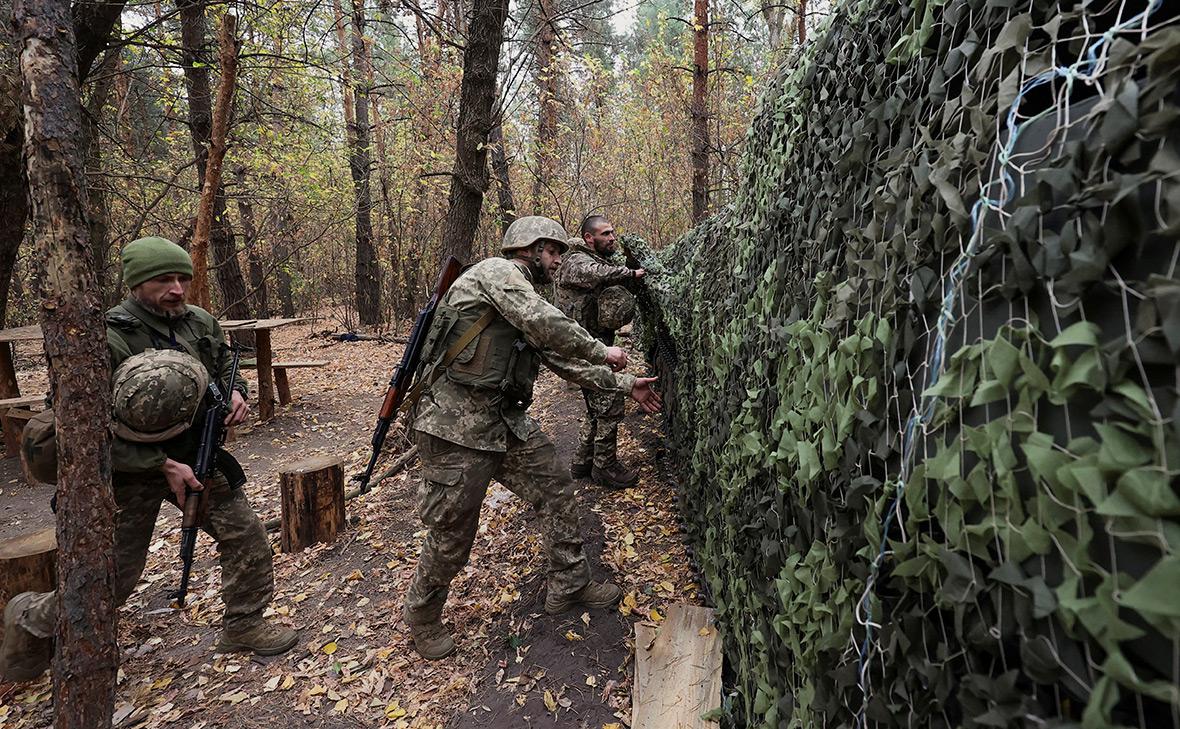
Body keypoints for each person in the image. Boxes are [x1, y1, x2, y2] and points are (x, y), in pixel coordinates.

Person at [0, 236, 297, 683]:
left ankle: (244, 624)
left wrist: (237, 393)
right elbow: (78, 429)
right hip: (127, 470)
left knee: (247, 536)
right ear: (136, 284)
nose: (177, 288)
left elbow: (222, 371)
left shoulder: (199, 323)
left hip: (197, 455)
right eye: (164, 280)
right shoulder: (106, 336)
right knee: (114, 578)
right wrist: (158, 463)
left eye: (182, 278)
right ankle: (30, 618)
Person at [403, 216, 662, 660]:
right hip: (454, 429)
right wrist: (603, 350)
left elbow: (559, 358)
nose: (559, 261)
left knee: (556, 488)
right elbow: (545, 323)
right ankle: (423, 617)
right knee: (452, 533)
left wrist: (625, 383)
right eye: (554, 252)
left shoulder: (522, 293)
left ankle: (568, 584)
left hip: (502, 422)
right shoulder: (498, 274)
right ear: (531, 248)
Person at [555, 215, 646, 488]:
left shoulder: (597, 259)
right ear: (588, 238)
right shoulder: (575, 262)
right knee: (609, 402)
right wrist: (630, 274)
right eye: (605, 234)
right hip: (584, 348)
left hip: (593, 344)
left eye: (613, 232)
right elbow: (595, 273)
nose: (612, 238)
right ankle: (605, 467)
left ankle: (583, 461)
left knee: (596, 407)